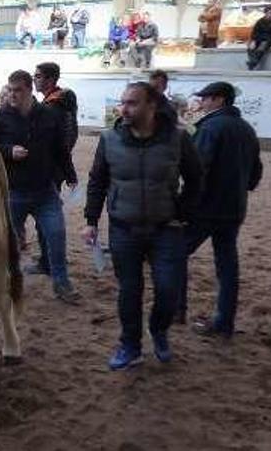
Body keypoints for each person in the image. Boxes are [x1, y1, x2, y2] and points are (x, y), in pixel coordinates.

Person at [83, 82, 203, 370]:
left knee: (169, 290)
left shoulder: (177, 139)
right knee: (129, 290)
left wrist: (182, 212)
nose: (124, 108)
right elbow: (97, 181)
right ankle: (130, 345)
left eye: (132, 103)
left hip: (167, 228)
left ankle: (158, 330)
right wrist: (91, 221)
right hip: (124, 228)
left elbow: (197, 179)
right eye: (122, 102)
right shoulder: (110, 139)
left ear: (152, 105)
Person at [0, 70, 79, 304]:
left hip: (45, 190)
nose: (13, 94)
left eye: (18, 90)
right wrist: (8, 151)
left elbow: (60, 148)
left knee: (56, 235)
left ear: (28, 90)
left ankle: (61, 283)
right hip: (13, 191)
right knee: (8, 243)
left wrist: (70, 174)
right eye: (10, 89)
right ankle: (7, 284)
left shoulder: (49, 115)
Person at [179, 82, 263, 335]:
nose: (202, 102)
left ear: (219, 100)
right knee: (227, 265)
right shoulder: (247, 129)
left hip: (205, 208)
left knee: (176, 253)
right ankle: (224, 321)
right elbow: (256, 174)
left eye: (206, 98)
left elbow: (197, 170)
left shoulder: (210, 127)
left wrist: (184, 204)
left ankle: (176, 309)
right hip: (234, 208)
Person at [26, 63, 78, 277]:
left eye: (37, 76)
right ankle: (49, 259)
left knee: (45, 216)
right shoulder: (60, 103)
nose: (34, 79)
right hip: (56, 167)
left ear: (49, 79)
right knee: (48, 215)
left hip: (48, 168)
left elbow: (52, 143)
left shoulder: (52, 107)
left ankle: (48, 261)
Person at [246, 6, 271, 71]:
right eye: (269, 13)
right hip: (260, 38)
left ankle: (253, 63)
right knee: (251, 47)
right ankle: (253, 61)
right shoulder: (260, 21)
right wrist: (253, 40)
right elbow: (254, 31)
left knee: (263, 45)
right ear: (265, 13)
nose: (270, 14)